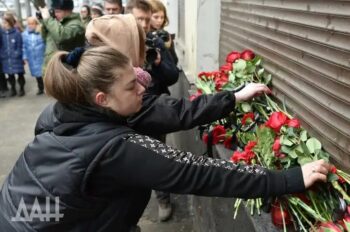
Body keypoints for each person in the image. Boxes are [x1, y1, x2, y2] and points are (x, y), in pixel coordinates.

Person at [0, 45, 331, 232]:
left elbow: (63, 195)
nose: (143, 89)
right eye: (132, 86)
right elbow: (197, 171)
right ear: (102, 98)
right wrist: (288, 178)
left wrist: (230, 97)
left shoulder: (58, 114)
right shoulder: (114, 148)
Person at [38, 0, 85, 73]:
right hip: (50, 69)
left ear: (69, 10)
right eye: (54, 11)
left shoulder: (77, 25)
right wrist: (44, 22)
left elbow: (61, 37)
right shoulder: (56, 23)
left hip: (65, 72)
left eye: (58, 11)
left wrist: (48, 19)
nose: (55, 14)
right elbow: (45, 39)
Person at [0, 13, 25, 96]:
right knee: (10, 75)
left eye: (5, 23)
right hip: (6, 58)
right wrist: (2, 54)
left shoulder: (17, 33)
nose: (4, 25)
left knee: (20, 74)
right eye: (3, 23)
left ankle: (21, 88)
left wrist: (17, 53)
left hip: (16, 58)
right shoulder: (2, 34)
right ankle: (13, 89)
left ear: (10, 23)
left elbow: (20, 45)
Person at [149, 0, 178, 65]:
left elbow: (174, 60)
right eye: (156, 17)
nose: (159, 20)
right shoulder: (144, 35)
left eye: (162, 17)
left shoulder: (165, 35)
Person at [22, 16, 46, 95]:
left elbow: (46, 43)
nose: (30, 25)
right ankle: (40, 87)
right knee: (37, 74)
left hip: (41, 55)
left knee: (45, 72)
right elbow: (24, 47)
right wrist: (25, 57)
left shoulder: (41, 32)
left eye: (32, 23)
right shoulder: (25, 34)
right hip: (32, 57)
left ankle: (48, 87)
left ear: (36, 24)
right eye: (29, 23)